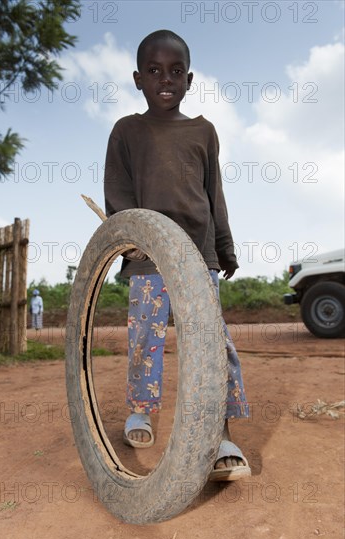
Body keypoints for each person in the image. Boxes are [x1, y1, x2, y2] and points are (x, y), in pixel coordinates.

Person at [104, 30, 251, 481]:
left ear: (189, 79)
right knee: (145, 337)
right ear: (137, 79)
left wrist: (223, 245)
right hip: (149, 255)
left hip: (199, 255)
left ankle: (220, 434)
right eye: (153, 71)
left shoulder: (203, 131)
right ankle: (141, 412)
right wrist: (130, 239)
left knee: (209, 343)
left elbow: (214, 195)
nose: (164, 79)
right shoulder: (127, 131)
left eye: (174, 71)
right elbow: (118, 192)